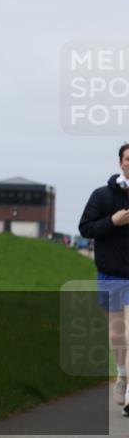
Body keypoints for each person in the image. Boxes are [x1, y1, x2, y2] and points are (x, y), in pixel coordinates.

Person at [78, 142, 129, 408]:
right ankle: (122, 376)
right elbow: (85, 228)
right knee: (117, 334)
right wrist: (113, 222)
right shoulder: (102, 196)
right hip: (111, 273)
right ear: (121, 162)